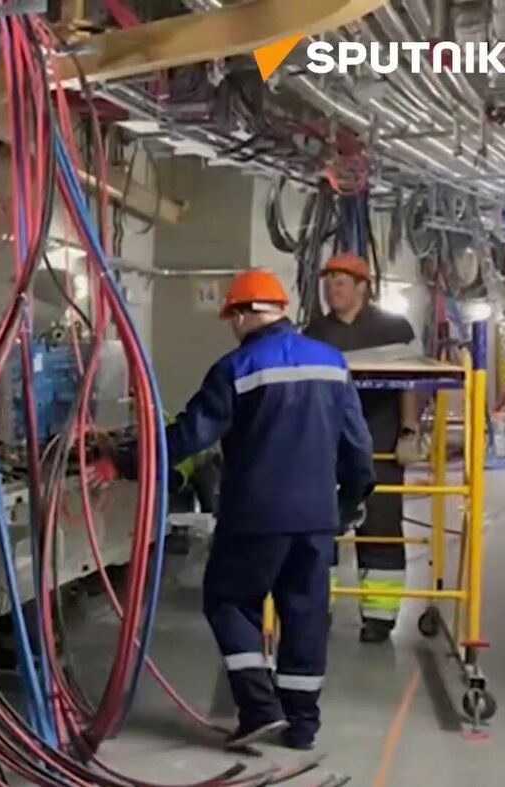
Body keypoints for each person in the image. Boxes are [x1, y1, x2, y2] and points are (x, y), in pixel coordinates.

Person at [157, 269, 374, 751]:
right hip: (316, 518)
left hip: (255, 516)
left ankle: (258, 708)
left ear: (240, 315)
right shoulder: (331, 363)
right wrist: (347, 504)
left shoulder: (237, 367)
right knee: (305, 615)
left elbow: (192, 434)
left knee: (229, 601)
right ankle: (302, 726)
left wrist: (130, 458)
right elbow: (358, 447)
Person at [303, 254, 421, 643]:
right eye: (328, 282)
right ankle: (317, 607)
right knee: (320, 526)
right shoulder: (315, 333)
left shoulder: (393, 329)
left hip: (381, 442)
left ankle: (379, 616)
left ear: (362, 287)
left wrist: (408, 431)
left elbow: (410, 383)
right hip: (327, 446)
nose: (331, 289)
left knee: (381, 526)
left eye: (340, 282)